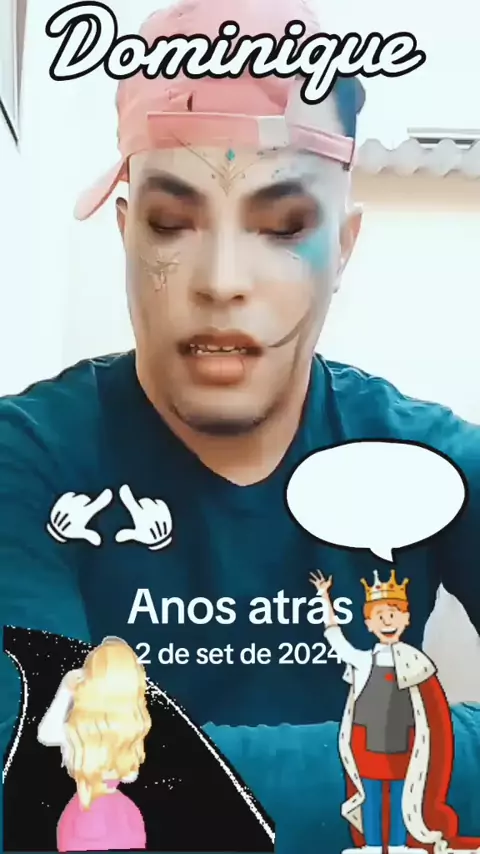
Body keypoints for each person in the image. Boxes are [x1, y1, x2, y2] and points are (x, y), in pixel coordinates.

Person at [1, 0, 479, 745]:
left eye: (284, 226)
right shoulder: (25, 459)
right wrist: (431, 749)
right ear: (127, 236)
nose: (222, 281)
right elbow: (38, 768)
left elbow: (104, 777)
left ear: (343, 248)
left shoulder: (429, 461)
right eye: (171, 222)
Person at [310, 570, 480, 854]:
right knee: (372, 796)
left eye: (393, 614)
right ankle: (374, 845)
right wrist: (324, 597)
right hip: (367, 743)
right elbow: (335, 637)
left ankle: (399, 845)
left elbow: (430, 711)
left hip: (404, 744)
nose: (387, 621)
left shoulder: (416, 663)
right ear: (369, 623)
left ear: (405, 618)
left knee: (403, 796)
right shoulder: (363, 662)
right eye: (380, 616)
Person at [37, 637, 151, 851]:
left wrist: (66, 688)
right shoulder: (128, 731)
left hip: (84, 818)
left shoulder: (77, 732)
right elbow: (130, 776)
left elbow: (45, 734)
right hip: (124, 822)